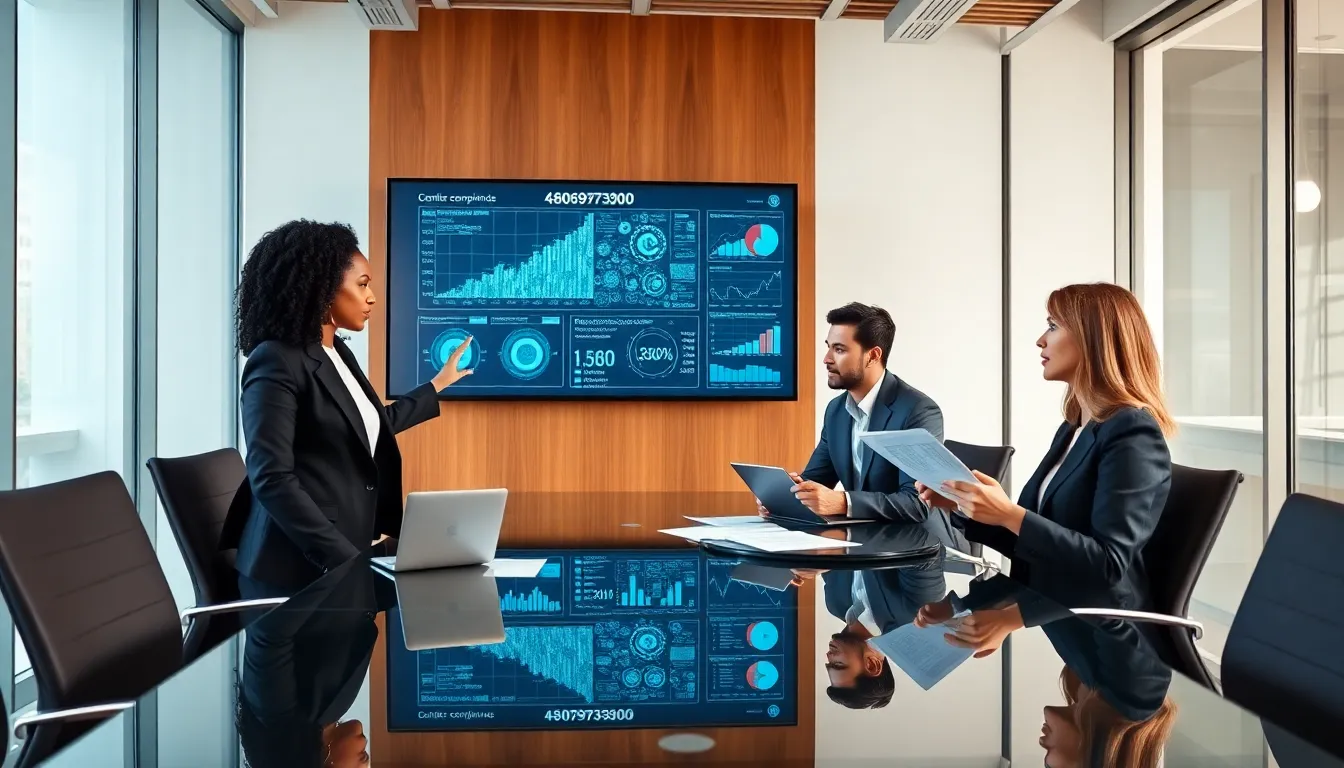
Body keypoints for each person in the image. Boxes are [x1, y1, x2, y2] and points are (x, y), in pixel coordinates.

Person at [222, 219, 472, 591]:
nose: (372, 296)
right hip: (294, 572)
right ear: (323, 290)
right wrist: (343, 560)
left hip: (347, 558)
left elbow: (365, 424)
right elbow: (272, 478)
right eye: (362, 284)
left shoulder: (336, 351)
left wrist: (435, 386)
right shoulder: (275, 360)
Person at [917, 282, 1174, 609]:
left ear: (1092, 338)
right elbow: (1037, 545)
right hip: (1052, 608)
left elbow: (1107, 565)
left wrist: (1010, 514)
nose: (1041, 339)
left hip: (1101, 627)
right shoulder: (1073, 427)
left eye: (1053, 326)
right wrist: (967, 506)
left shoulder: (1132, 431)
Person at [775, 302, 961, 546]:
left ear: (873, 355)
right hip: (860, 548)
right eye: (828, 347)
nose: (826, 359)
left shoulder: (917, 410)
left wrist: (843, 502)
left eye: (839, 350)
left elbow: (917, 503)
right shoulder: (836, 411)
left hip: (913, 557)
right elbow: (817, 481)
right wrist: (786, 496)